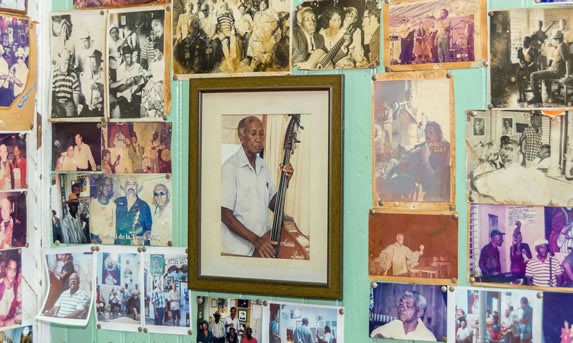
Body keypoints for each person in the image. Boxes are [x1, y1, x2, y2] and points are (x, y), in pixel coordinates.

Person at [221, 116, 294, 257]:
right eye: (253, 133)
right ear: (241, 137)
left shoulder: (263, 165)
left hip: (262, 246)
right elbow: (225, 214)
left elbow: (273, 203)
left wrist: (286, 182)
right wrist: (256, 240)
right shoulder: (230, 168)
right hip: (238, 251)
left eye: (261, 133)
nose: (258, 139)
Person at [370, 291, 437, 340]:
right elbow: (373, 336)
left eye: (408, 305)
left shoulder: (428, 337)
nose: (402, 308)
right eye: (401, 304)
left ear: (419, 312)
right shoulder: (393, 325)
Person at [528, 30, 569, 104]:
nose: (554, 41)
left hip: (555, 72)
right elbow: (560, 55)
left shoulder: (562, 47)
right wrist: (553, 46)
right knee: (544, 75)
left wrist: (567, 75)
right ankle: (549, 95)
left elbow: (567, 61)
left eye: (554, 39)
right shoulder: (561, 46)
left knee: (533, 75)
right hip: (554, 70)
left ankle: (537, 97)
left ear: (557, 39)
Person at [110, 45, 145, 118]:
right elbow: (119, 89)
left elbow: (140, 84)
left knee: (137, 105)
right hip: (123, 96)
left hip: (135, 94)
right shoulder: (119, 69)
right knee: (123, 107)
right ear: (123, 58)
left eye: (130, 56)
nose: (129, 59)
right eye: (127, 57)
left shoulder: (137, 66)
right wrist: (128, 84)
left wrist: (134, 93)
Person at [114, 177, 152, 245]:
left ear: (137, 188)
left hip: (136, 247)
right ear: (124, 187)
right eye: (128, 183)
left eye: (134, 184)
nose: (131, 186)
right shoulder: (117, 203)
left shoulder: (144, 206)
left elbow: (148, 229)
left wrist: (144, 239)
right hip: (118, 245)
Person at [52, 50, 81, 117]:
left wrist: (77, 106)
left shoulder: (73, 75)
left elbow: (75, 92)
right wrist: (55, 108)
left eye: (68, 63)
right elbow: (52, 94)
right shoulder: (54, 74)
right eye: (65, 63)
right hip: (56, 102)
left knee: (71, 111)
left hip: (68, 103)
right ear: (60, 61)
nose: (67, 66)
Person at [79, 49, 104, 117]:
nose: (93, 65)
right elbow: (82, 94)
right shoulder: (85, 76)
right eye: (91, 62)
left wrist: (99, 86)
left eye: (95, 62)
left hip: (99, 108)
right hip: (86, 107)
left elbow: (106, 92)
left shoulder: (103, 75)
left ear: (99, 63)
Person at [516, 36, 539, 103]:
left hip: (531, 68)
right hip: (523, 67)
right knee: (518, 74)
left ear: (529, 43)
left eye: (526, 42)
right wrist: (521, 64)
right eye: (523, 42)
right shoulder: (520, 50)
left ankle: (523, 94)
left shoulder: (533, 50)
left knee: (523, 74)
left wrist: (528, 66)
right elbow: (519, 60)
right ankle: (520, 94)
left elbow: (535, 61)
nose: (524, 43)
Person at [0, 256, 19, 326]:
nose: (12, 273)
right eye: (9, 269)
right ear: (5, 270)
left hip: (7, 321)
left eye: (14, 270)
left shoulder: (16, 286)